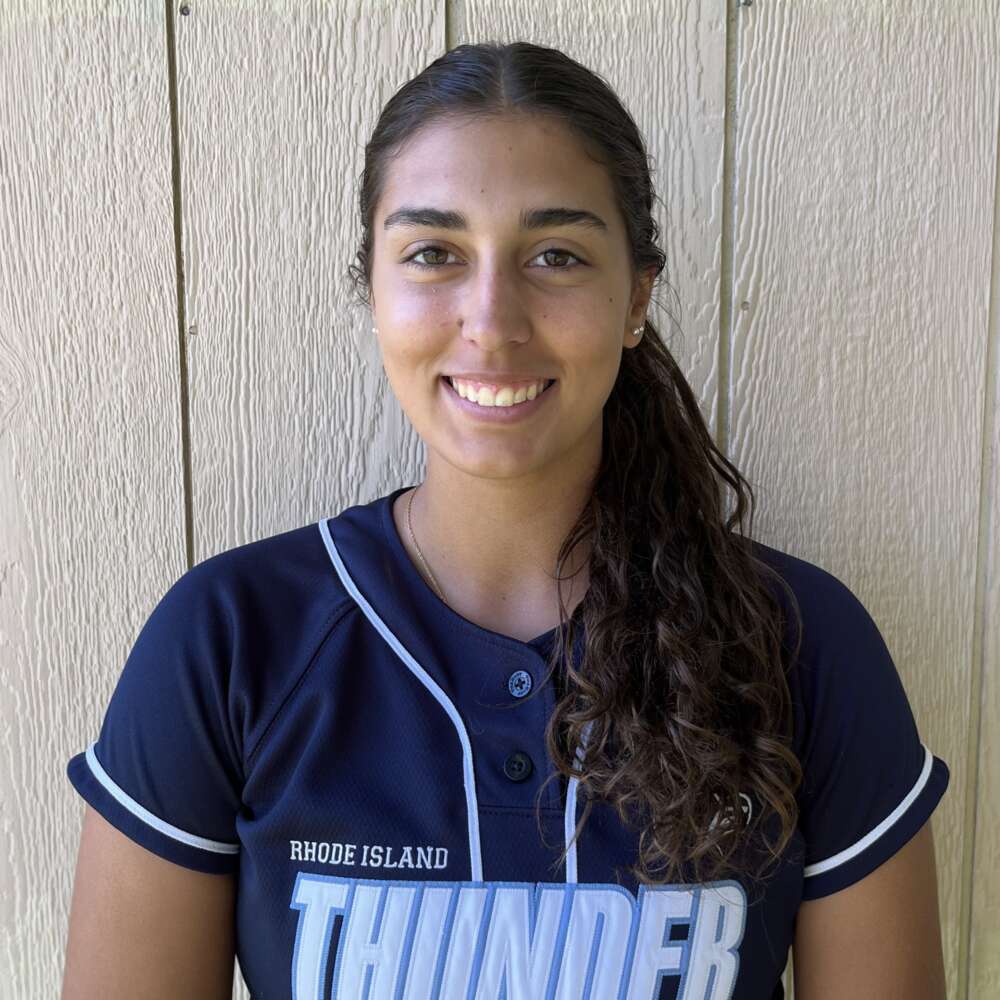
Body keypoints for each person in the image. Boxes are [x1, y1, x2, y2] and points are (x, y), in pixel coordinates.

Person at [62, 41, 950, 999]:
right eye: (434, 254)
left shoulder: (801, 644)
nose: (492, 319)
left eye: (556, 255)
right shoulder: (229, 640)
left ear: (637, 296)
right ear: (373, 288)